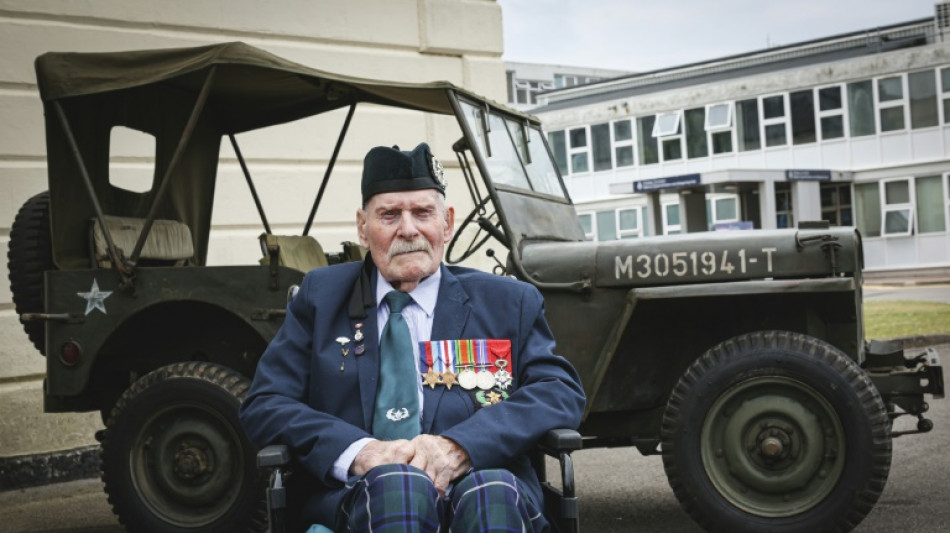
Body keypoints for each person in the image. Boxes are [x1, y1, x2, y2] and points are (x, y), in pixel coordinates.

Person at [239, 142, 586, 532]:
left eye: (423, 212)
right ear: (362, 228)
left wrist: (461, 447)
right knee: (398, 487)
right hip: (358, 496)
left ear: (447, 223)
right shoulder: (321, 298)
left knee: (492, 492)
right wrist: (360, 452)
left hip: (483, 484)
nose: (408, 229)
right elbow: (265, 403)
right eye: (389, 215)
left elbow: (559, 390)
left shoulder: (507, 302)